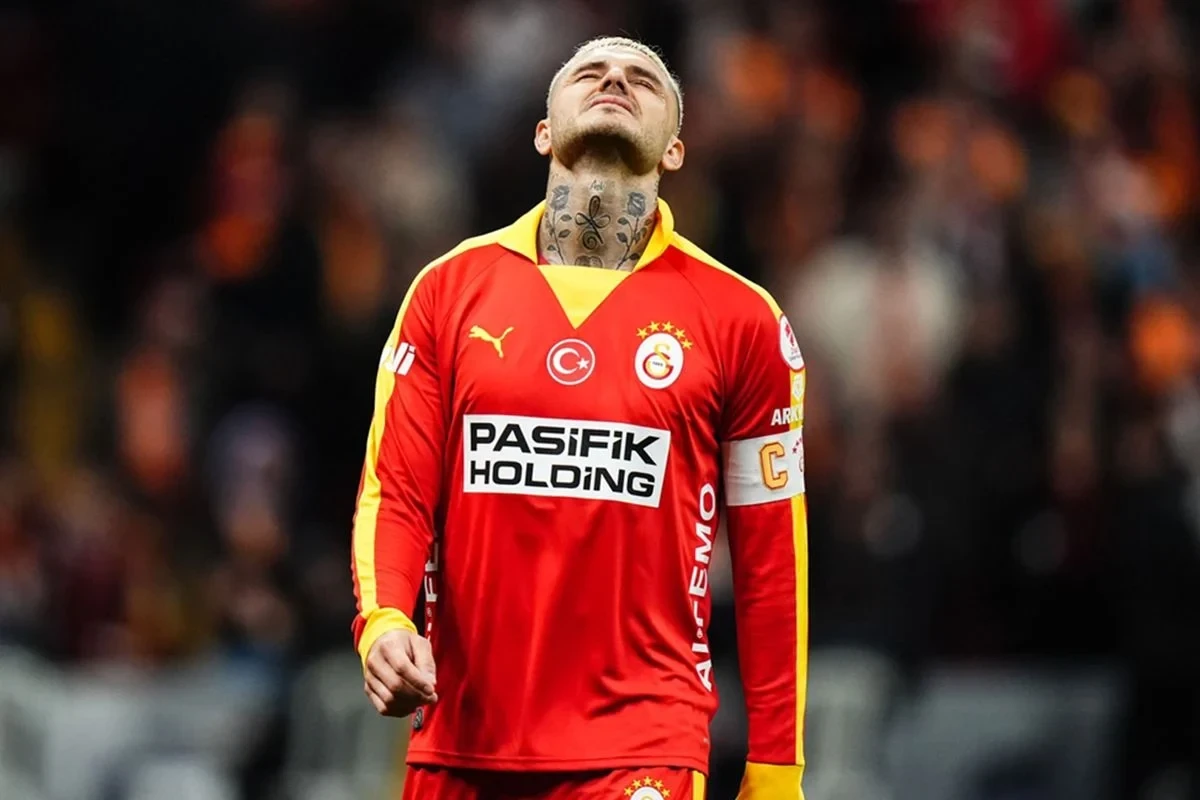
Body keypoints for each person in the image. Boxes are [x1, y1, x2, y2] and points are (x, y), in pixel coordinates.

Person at [350, 35, 809, 800]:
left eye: (643, 80)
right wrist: (386, 622)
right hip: (462, 743)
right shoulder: (446, 293)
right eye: (591, 73)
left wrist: (776, 771)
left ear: (674, 150)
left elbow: (772, 560)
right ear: (543, 132)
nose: (615, 79)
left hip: (643, 745)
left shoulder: (742, 320)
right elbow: (393, 493)